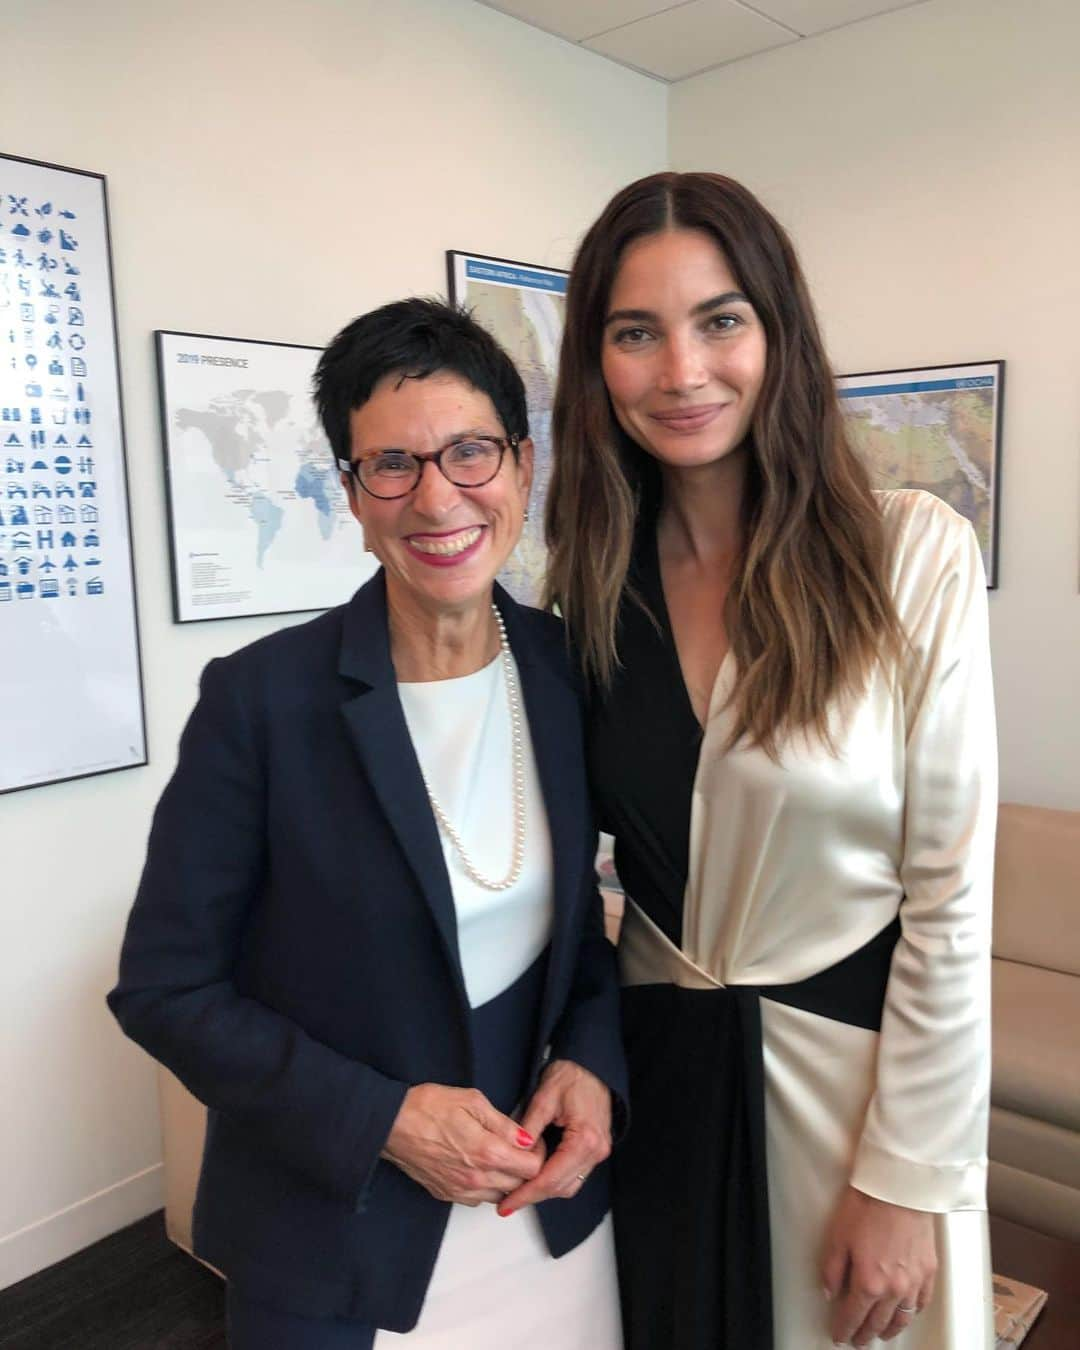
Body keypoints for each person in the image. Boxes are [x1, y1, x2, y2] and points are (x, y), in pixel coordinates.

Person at [109, 298, 626, 1349]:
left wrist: (595, 1058)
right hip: (335, 1233)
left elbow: (581, 939)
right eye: (392, 464)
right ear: (352, 494)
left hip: (543, 1215)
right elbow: (163, 990)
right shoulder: (262, 702)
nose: (437, 497)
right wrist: (386, 1121)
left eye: (470, 452)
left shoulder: (570, 675)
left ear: (523, 467)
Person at [544, 172, 996, 1350]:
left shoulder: (910, 556)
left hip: (851, 1101)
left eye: (721, 320)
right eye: (636, 333)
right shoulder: (589, 592)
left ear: (779, 333)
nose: (683, 372)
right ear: (596, 363)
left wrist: (907, 1176)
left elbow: (948, 898)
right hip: (659, 1093)